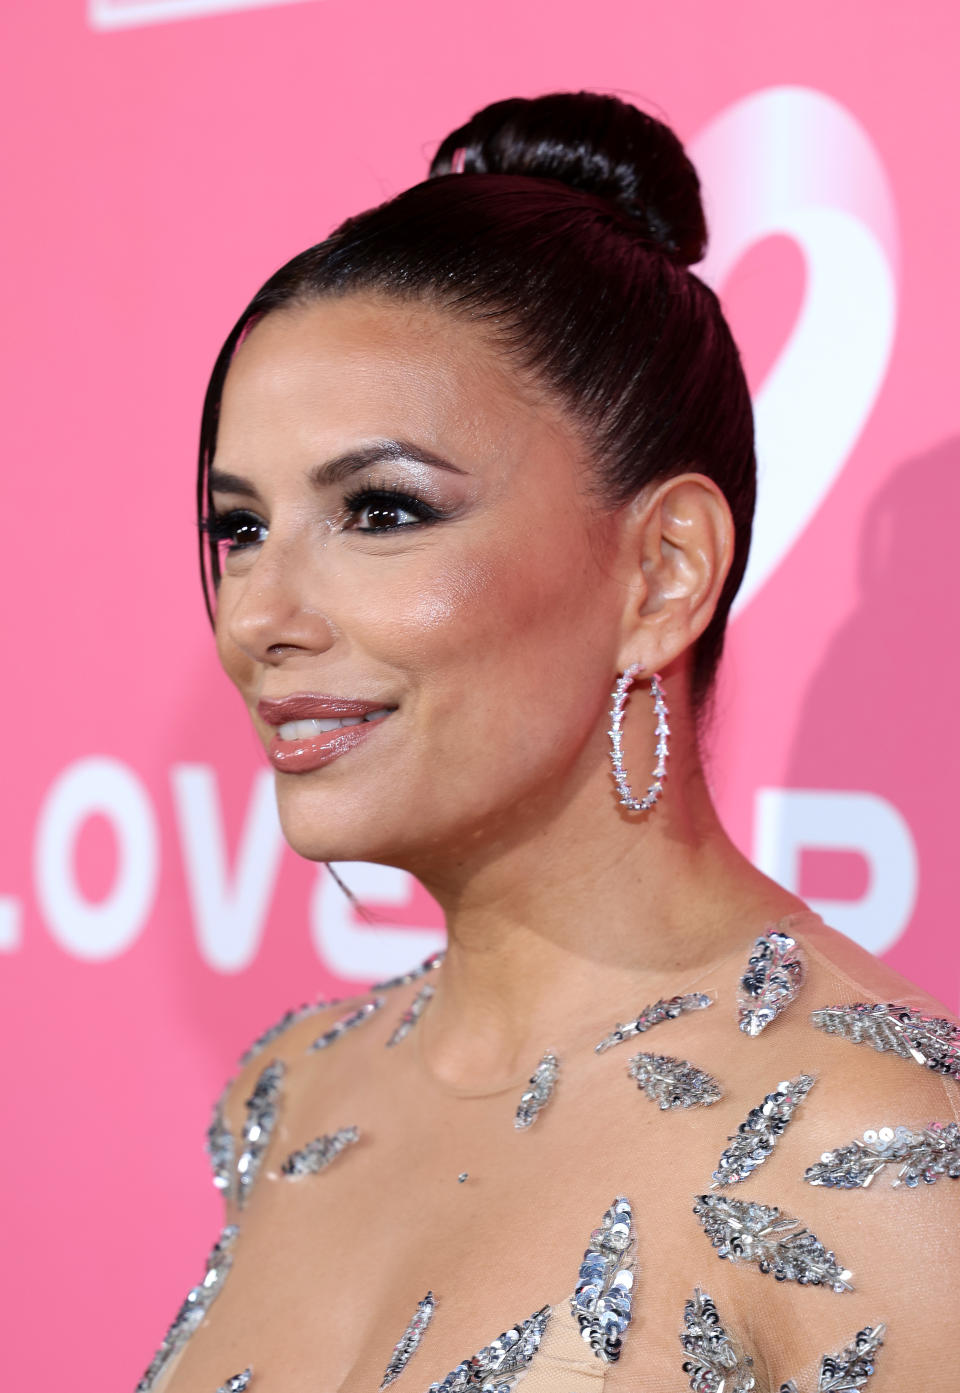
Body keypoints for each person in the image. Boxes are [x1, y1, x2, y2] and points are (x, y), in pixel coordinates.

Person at [139, 91, 960, 1393]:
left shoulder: (882, 1155)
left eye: (381, 510)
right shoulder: (292, 1098)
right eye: (239, 527)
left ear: (662, 573)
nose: (261, 617)